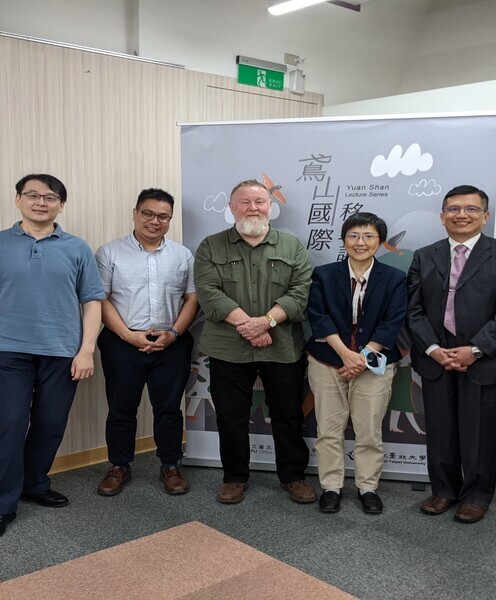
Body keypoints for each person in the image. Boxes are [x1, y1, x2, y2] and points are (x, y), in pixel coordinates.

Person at [0, 174, 104, 542]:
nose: (41, 202)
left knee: (50, 425)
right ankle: (0, 507)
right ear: (18, 200)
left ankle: (34, 482)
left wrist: (86, 350)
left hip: (62, 352)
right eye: (33, 195)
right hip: (7, 350)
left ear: (61, 204)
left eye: (50, 197)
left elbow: (92, 301)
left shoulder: (77, 247)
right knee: (10, 427)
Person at [407, 185, 496, 523]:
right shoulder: (424, 255)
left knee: (481, 433)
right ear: (442, 216)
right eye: (454, 208)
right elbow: (413, 311)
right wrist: (432, 349)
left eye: (471, 209)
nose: (462, 215)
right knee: (441, 429)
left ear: (485, 216)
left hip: (484, 359)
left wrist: (475, 349)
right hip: (437, 358)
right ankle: (444, 490)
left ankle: (477, 495)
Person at [194, 179, 316, 505]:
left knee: (288, 414)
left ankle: (293, 476)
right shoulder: (211, 246)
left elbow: (300, 291)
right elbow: (208, 293)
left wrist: (266, 322)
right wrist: (248, 325)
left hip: (282, 345)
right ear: (232, 207)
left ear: (270, 207)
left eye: (260, 202)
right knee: (230, 416)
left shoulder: (291, 246)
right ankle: (235, 477)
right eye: (245, 202)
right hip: (228, 347)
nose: (253, 208)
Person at [95, 188, 198, 496]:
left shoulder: (182, 255)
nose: (155, 221)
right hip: (122, 342)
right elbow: (100, 299)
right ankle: (119, 466)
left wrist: (174, 334)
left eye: (163, 216)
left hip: (171, 342)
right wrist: (127, 335)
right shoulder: (109, 252)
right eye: (148, 214)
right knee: (121, 407)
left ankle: (170, 465)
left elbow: (192, 299)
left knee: (168, 409)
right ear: (136, 213)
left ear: (170, 218)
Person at [305, 212, 407, 515]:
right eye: (353, 236)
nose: (360, 242)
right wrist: (346, 355)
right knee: (328, 429)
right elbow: (318, 317)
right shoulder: (323, 274)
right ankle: (331, 486)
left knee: (369, 431)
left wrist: (361, 359)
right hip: (327, 361)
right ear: (343, 239)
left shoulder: (394, 278)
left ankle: (367, 487)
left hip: (374, 364)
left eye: (368, 236)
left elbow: (392, 323)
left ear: (380, 242)